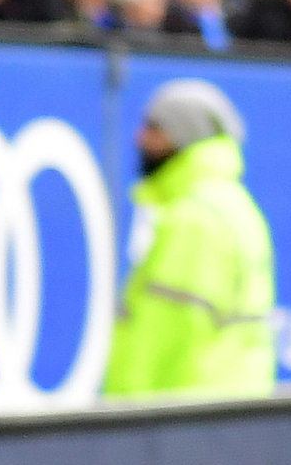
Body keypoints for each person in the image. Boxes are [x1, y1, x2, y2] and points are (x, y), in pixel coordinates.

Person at [103, 78, 277, 396]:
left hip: (182, 420)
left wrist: (126, 417)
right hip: (221, 413)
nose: (140, 138)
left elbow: (166, 333)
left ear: (185, 135)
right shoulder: (230, 204)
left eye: (155, 129)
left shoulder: (195, 219)